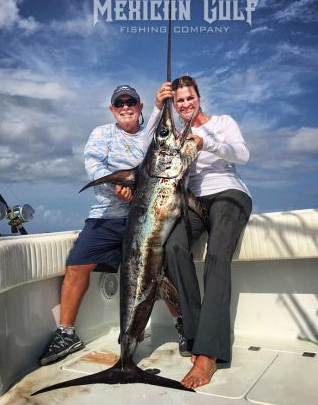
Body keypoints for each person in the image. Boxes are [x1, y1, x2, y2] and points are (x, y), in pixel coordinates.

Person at [39, 85, 186, 366]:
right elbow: (94, 167)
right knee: (77, 265)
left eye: (131, 102)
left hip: (148, 217)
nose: (125, 106)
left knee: (163, 270)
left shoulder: (150, 135)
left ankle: (182, 324)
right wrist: (118, 183)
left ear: (141, 107)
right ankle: (66, 333)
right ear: (112, 109)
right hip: (107, 215)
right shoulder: (101, 134)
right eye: (119, 103)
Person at [145, 76, 252, 389]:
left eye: (189, 98)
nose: (185, 104)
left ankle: (208, 352)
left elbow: (243, 154)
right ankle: (193, 332)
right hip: (191, 202)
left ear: (199, 98)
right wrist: (155, 109)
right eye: (179, 101)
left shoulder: (222, 122)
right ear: (174, 106)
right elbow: (146, 149)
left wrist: (207, 143)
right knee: (170, 248)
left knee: (219, 253)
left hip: (229, 195)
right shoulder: (175, 135)